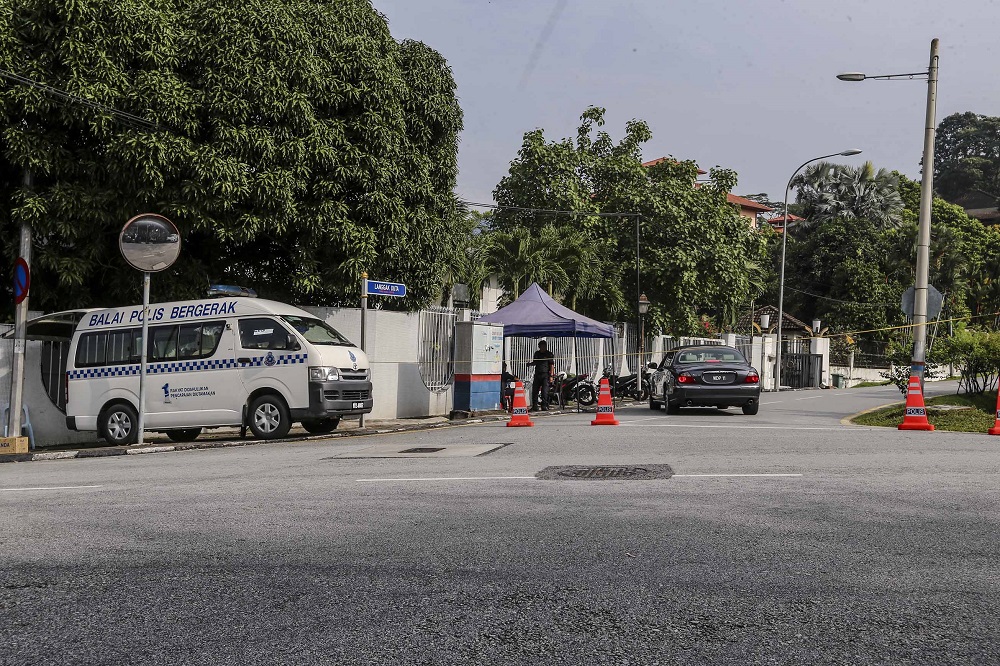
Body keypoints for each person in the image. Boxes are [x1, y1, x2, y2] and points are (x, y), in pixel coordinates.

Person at [528, 340, 555, 410]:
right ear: (539, 347)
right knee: (535, 390)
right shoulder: (537, 354)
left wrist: (551, 376)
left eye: (544, 346)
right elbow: (535, 362)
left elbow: (551, 365)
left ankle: (544, 405)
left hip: (545, 374)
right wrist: (530, 364)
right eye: (541, 346)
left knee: (544, 391)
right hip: (537, 374)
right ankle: (535, 406)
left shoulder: (549, 354)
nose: (543, 347)